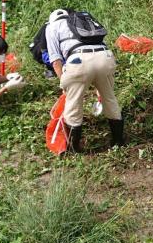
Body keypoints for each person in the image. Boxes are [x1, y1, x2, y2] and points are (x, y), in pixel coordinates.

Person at [45, 9, 123, 151]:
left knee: (73, 105)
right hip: (105, 57)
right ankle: (119, 141)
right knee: (110, 99)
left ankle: (74, 149)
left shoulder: (51, 27)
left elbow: (56, 60)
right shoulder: (80, 21)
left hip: (78, 61)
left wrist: (64, 83)